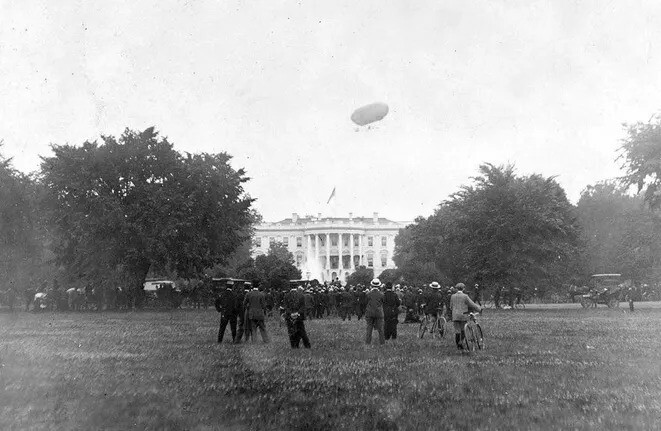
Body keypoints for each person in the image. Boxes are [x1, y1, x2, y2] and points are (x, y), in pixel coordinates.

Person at [450, 283, 481, 350]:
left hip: (455, 315)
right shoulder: (465, 296)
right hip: (463, 315)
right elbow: (472, 304)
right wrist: (479, 308)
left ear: (456, 288)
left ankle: (458, 346)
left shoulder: (452, 296)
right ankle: (461, 342)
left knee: (457, 331)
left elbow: (451, 306)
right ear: (463, 288)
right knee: (463, 329)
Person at [365, 279, 385, 345]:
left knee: (369, 329)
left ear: (372, 285)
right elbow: (383, 303)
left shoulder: (368, 294)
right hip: (379, 313)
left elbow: (366, 303)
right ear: (379, 285)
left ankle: (368, 343)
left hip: (370, 313)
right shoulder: (382, 294)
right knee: (381, 329)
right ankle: (382, 343)